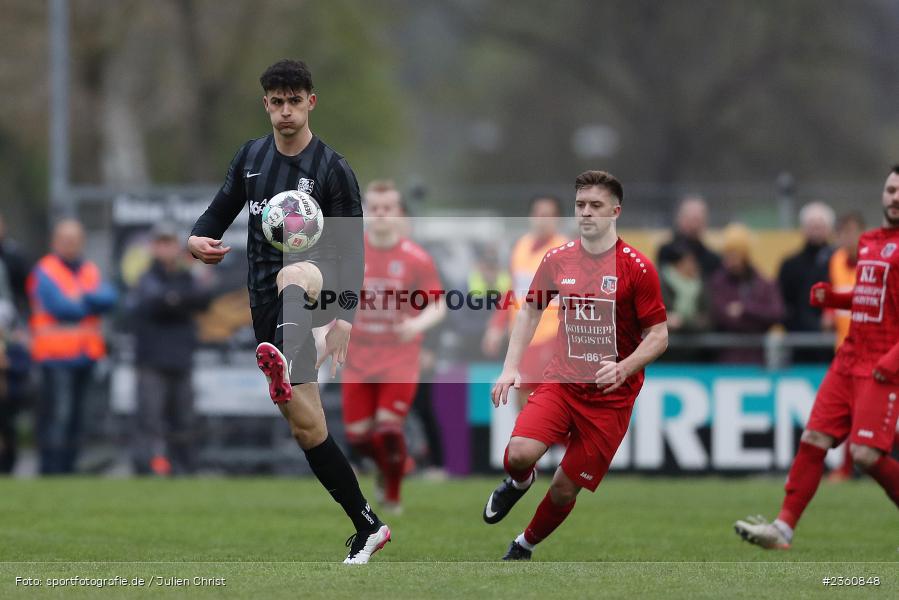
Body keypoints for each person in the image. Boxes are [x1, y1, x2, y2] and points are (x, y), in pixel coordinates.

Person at [188, 59, 389, 564]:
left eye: (294, 101)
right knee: (308, 427)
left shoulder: (332, 168)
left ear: (311, 102)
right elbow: (217, 212)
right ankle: (368, 525)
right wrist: (196, 239)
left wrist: (345, 318)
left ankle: (295, 349)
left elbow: (354, 251)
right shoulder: (251, 157)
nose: (285, 112)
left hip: (313, 288)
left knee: (293, 274)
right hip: (264, 305)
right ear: (266, 105)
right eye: (276, 102)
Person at [482, 170, 668, 560]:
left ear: (615, 210)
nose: (586, 213)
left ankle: (524, 544)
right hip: (562, 383)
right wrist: (510, 367)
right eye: (581, 205)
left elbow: (659, 335)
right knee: (517, 454)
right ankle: (519, 482)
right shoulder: (557, 258)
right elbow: (530, 309)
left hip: (610, 400)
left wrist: (625, 366)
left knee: (566, 487)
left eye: (595, 205)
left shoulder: (637, 268)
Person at [734, 165, 899, 549]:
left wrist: (892, 362)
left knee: (865, 455)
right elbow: (874, 296)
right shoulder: (871, 240)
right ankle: (783, 529)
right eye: (891, 190)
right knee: (813, 437)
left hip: (883, 363)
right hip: (849, 358)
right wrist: (836, 299)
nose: (895, 197)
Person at [340, 180, 445, 513]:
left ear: (399, 213)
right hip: (358, 357)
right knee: (358, 438)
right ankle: (392, 466)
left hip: (399, 356)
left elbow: (438, 304)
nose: (381, 215)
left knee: (387, 429)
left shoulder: (416, 258)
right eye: (375, 209)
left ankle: (393, 494)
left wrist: (416, 324)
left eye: (388, 209)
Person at [27, 219, 117, 474]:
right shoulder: (44, 271)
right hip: (54, 358)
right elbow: (62, 308)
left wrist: (82, 297)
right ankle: (52, 469)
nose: (70, 245)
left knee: (79, 418)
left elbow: (111, 299)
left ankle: (70, 469)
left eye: (75, 240)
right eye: (65, 240)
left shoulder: (89, 269)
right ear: (55, 242)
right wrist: (90, 299)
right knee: (58, 416)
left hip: (85, 356)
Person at [130, 223, 212, 476]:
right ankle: (150, 469)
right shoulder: (145, 277)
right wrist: (177, 300)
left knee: (184, 420)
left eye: (170, 243)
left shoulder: (187, 276)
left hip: (181, 358)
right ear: (153, 247)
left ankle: (185, 469)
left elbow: (204, 299)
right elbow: (153, 302)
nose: (165, 249)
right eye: (161, 243)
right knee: (151, 420)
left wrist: (173, 299)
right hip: (151, 360)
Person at [482, 195, 568, 399]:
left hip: (551, 338)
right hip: (522, 338)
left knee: (544, 400)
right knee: (521, 396)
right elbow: (511, 290)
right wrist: (496, 326)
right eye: (538, 214)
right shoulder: (521, 246)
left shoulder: (565, 251)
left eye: (548, 215)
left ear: (558, 219)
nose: (542, 219)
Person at [825, 212, 865, 482]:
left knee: (862, 412)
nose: (848, 238)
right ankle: (846, 468)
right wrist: (828, 311)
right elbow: (837, 296)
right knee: (854, 411)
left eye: (852, 232)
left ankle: (846, 468)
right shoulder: (836, 260)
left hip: (873, 348)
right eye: (843, 233)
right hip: (844, 349)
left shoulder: (872, 261)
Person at [707, 223, 784, 364]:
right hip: (726, 360)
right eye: (727, 255)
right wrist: (757, 320)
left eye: (735, 255)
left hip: (757, 360)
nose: (731, 261)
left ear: (745, 255)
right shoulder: (717, 283)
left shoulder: (762, 282)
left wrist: (745, 310)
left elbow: (776, 313)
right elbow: (719, 315)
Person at [777, 201, 835, 363]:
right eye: (812, 225)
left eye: (820, 225)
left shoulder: (839, 262)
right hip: (799, 346)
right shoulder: (790, 265)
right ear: (803, 228)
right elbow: (783, 305)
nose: (816, 231)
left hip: (834, 347)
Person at [659, 243, 711, 362]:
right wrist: (662, 321)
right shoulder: (660, 284)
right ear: (678, 264)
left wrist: (681, 322)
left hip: (695, 352)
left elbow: (708, 319)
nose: (694, 265)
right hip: (665, 354)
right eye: (689, 261)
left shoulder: (701, 286)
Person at [657, 195, 721, 278]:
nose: (694, 225)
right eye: (690, 220)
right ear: (680, 220)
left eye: (697, 220)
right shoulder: (666, 253)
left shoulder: (712, 260)